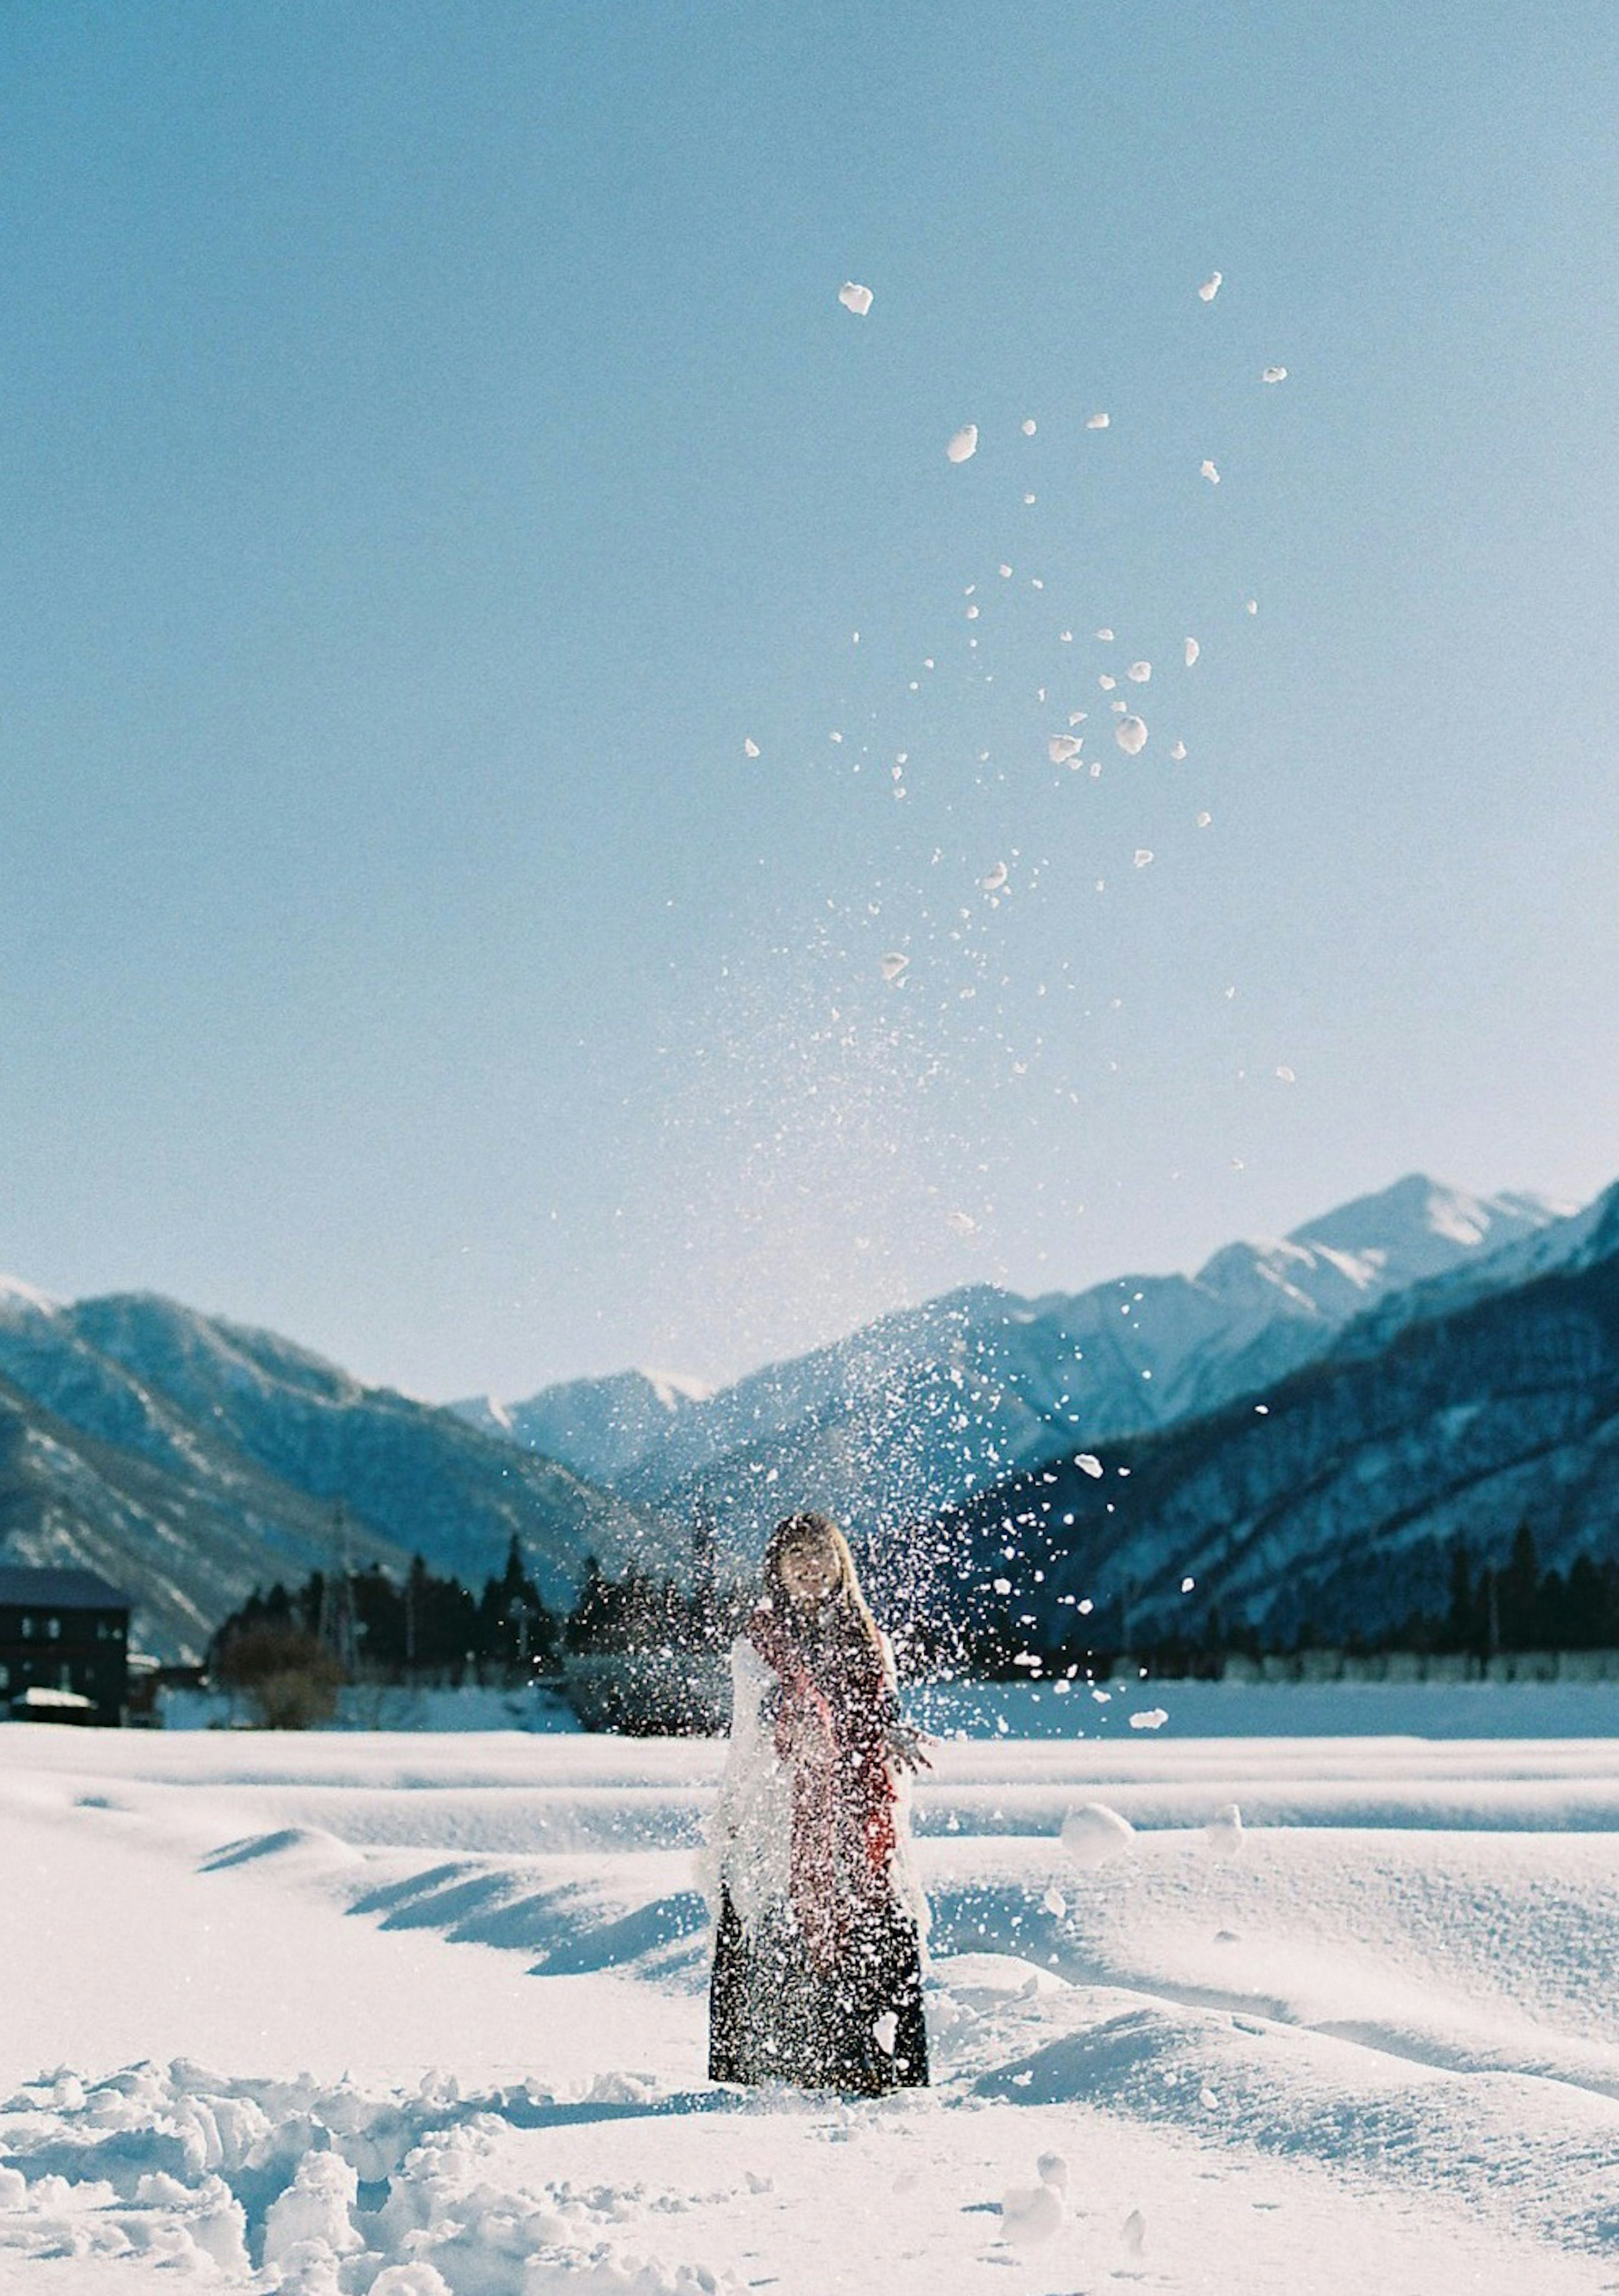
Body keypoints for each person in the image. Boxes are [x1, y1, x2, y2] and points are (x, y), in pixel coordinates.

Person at [703, 1510, 931, 2094]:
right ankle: (783, 2075)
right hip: (781, 1824)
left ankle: (878, 2072)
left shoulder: (868, 1635)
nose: (809, 1566)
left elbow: (882, 1707)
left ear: (840, 1564)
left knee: (877, 1928)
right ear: (777, 1569)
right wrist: (792, 1722)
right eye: (796, 1556)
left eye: (820, 1554)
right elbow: (754, 1716)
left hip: (860, 1818)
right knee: (779, 1931)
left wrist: (890, 1732)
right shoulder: (759, 1639)